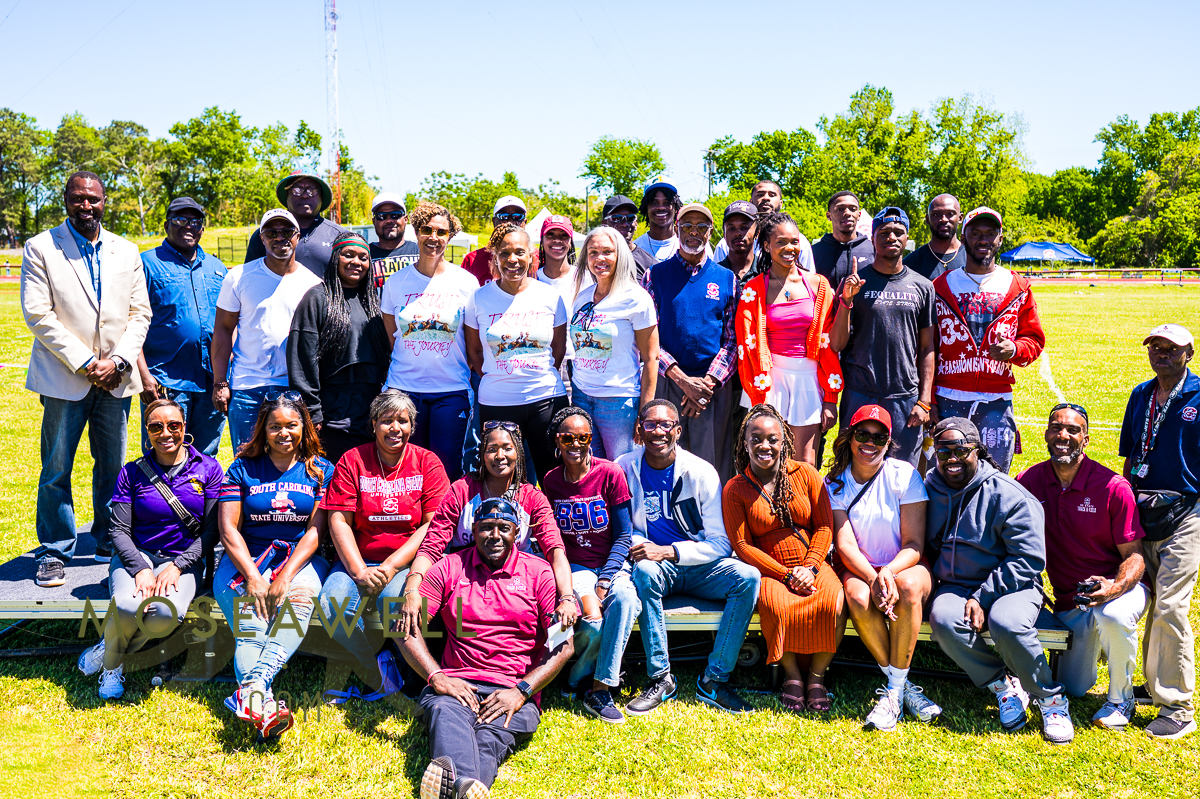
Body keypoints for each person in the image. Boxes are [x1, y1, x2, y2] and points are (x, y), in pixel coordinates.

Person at [22, 171, 152, 586]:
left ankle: (107, 540)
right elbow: (38, 314)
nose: (86, 206)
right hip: (65, 377)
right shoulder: (41, 247)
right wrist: (85, 363)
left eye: (93, 199)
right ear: (66, 200)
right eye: (78, 199)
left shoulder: (126, 250)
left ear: (104, 200)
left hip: (116, 379)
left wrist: (116, 362)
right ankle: (56, 550)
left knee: (113, 467)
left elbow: (140, 314)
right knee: (56, 467)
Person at [403, 497, 575, 799]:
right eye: (486, 528)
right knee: (446, 712)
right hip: (456, 684)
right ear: (472, 529)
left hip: (512, 690)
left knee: (490, 735)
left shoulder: (539, 572)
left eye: (503, 528)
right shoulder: (450, 567)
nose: (494, 536)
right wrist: (436, 677)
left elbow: (564, 645)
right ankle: (465, 789)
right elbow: (403, 630)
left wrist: (522, 691)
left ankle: (451, 784)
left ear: (517, 532)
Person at [925, 418, 1073, 744]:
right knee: (945, 618)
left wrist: (983, 596)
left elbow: (1029, 559)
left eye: (961, 450)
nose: (951, 458)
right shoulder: (930, 487)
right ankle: (1002, 686)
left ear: (977, 450)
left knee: (1006, 621)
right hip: (955, 584)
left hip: (1012, 586)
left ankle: (1050, 700)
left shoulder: (1009, 495)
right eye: (943, 451)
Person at [616, 400, 761, 716]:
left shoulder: (700, 472)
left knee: (747, 578)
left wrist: (670, 551)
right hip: (654, 567)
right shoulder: (623, 467)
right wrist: (647, 549)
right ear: (639, 429)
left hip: (697, 564)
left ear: (678, 431)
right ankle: (661, 677)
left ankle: (714, 679)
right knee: (644, 572)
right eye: (650, 424)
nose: (658, 431)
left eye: (666, 424)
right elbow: (622, 528)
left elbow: (721, 543)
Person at [75, 399, 223, 699]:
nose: (165, 433)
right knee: (129, 606)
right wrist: (140, 569)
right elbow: (118, 529)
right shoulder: (132, 472)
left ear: (185, 428)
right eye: (156, 426)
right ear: (147, 431)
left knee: (165, 615)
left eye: (173, 425)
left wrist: (179, 565)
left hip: (184, 559)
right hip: (138, 554)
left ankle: (107, 646)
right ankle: (113, 666)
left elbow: (212, 531)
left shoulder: (208, 468)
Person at [1016, 403, 1147, 730]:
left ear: (1086, 439)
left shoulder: (1113, 487)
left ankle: (1121, 699)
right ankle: (1099, 643)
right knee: (1074, 687)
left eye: (1073, 430)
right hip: (1072, 601)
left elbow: (1135, 556)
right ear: (1046, 434)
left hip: (1119, 591)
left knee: (1112, 615)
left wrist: (1113, 588)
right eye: (1056, 427)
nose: (1064, 435)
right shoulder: (1029, 481)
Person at [214, 392, 334, 738]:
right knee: (252, 622)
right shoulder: (241, 467)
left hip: (300, 558)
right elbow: (227, 530)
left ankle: (253, 686)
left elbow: (315, 532)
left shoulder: (320, 469)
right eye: (275, 426)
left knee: (299, 600)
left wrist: (286, 577)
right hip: (245, 559)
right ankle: (259, 702)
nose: (284, 433)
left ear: (304, 427)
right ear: (263, 430)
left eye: (292, 425)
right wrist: (253, 576)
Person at [317, 390, 450, 696]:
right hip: (358, 561)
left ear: (412, 426)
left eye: (402, 421)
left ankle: (416, 674)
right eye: (387, 420)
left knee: (397, 608)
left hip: (405, 563)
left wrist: (391, 566)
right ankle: (375, 666)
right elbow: (339, 521)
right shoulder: (353, 460)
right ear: (374, 424)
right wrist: (359, 570)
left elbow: (432, 524)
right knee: (332, 607)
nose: (395, 428)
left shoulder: (427, 462)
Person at [398, 420, 578, 638]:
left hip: (515, 584)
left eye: (507, 448)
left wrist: (567, 597)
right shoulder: (461, 490)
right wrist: (412, 588)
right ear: (481, 455)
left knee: (562, 618)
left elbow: (555, 550)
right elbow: (431, 546)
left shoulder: (532, 497)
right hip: (464, 581)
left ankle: (551, 664)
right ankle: (404, 666)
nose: (499, 456)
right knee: (403, 612)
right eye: (491, 449)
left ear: (519, 453)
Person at [826, 405, 941, 730]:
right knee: (859, 598)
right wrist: (874, 577)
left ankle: (893, 691)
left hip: (904, 564)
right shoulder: (834, 482)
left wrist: (888, 573)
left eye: (880, 437)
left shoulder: (904, 474)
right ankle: (902, 687)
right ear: (849, 438)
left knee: (907, 588)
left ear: (889, 442)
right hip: (861, 567)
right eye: (863, 434)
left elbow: (914, 544)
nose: (870, 443)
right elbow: (846, 546)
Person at [724, 404, 844, 714]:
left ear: (784, 441)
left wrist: (811, 566)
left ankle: (816, 678)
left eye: (772, 439)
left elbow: (825, 526)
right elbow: (742, 545)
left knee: (832, 600)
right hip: (768, 567)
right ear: (744, 443)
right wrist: (786, 574)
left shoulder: (805, 474)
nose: (765, 445)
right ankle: (792, 676)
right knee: (776, 605)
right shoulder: (735, 489)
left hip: (811, 561)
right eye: (756, 438)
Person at [1119, 323, 1200, 739]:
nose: (1162, 354)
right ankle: (1155, 686)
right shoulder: (1140, 395)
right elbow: (1131, 457)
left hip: (1187, 512)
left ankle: (1178, 706)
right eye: (1156, 347)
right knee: (1152, 602)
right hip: (1142, 511)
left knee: (1170, 606)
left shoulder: (1199, 395)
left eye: (1171, 349)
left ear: (1189, 352)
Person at [539, 407, 638, 723]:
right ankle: (573, 678)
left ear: (591, 439)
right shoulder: (552, 481)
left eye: (583, 437)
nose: (576, 444)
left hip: (611, 564)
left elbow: (624, 535)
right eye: (568, 437)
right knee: (593, 623)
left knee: (624, 600)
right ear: (558, 440)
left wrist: (607, 578)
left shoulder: (610, 473)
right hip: (576, 568)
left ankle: (600, 686)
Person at [931, 207, 1045, 473]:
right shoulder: (941, 286)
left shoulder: (1018, 286)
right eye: (976, 233)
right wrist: (931, 401)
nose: (983, 239)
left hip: (997, 400)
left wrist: (1015, 348)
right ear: (963, 235)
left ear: (1000, 239)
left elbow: (1034, 340)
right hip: (948, 397)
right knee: (949, 475)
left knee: (994, 475)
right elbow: (927, 348)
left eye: (990, 233)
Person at [641, 203, 738, 482]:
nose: (693, 233)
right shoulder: (655, 276)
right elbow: (648, 339)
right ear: (676, 229)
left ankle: (711, 524)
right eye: (687, 226)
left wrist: (706, 384)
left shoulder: (726, 279)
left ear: (710, 232)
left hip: (713, 389)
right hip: (668, 381)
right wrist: (684, 381)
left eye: (701, 227)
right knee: (665, 457)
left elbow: (732, 340)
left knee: (712, 464)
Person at [464, 223, 568, 484]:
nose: (513, 260)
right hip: (497, 402)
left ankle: (550, 525)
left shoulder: (550, 296)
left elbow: (558, 348)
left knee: (552, 475)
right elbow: (474, 352)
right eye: (505, 253)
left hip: (546, 398)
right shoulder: (478, 298)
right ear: (495, 258)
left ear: (531, 256)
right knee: (502, 477)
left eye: (520, 252)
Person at [830, 207, 935, 466]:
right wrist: (846, 300)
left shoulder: (923, 286)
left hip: (904, 397)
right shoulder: (854, 283)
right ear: (873, 237)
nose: (892, 237)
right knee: (855, 467)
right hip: (860, 392)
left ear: (907, 237)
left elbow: (927, 348)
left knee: (902, 474)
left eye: (899, 232)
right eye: (884, 232)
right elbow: (837, 343)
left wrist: (924, 400)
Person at [736, 211, 842, 467]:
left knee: (805, 462)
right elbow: (746, 344)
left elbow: (828, 343)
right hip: (769, 379)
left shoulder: (819, 285)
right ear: (766, 245)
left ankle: (802, 510)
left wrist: (830, 397)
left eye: (794, 241)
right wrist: (755, 392)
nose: (789, 248)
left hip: (808, 378)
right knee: (768, 462)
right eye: (781, 242)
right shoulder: (753, 290)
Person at [380, 202, 476, 482]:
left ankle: (444, 526)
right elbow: (392, 336)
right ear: (416, 232)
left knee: (446, 471)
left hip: (451, 390)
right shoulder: (396, 282)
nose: (433, 237)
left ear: (450, 236)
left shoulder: (466, 283)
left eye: (441, 232)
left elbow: (471, 341)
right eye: (427, 230)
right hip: (403, 390)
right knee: (405, 471)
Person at [213, 209, 322, 453]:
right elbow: (222, 328)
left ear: (298, 237)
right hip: (247, 387)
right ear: (261, 238)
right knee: (247, 457)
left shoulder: (313, 283)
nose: (279, 237)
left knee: (292, 458)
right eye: (272, 232)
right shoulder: (239, 277)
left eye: (286, 232)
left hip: (294, 387)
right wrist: (220, 382)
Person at [136, 196, 227, 456]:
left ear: (202, 228)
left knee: (206, 455)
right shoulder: (147, 264)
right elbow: (131, 323)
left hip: (210, 381)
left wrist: (224, 380)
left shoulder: (216, 267)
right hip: (166, 380)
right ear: (166, 225)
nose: (188, 226)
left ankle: (198, 499)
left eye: (195, 221)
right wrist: (144, 375)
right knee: (163, 453)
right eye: (180, 219)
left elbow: (229, 324)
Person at [287, 232, 389, 465]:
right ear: (335, 258)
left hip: (369, 409)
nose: (356, 262)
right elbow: (302, 358)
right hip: (331, 411)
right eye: (348, 255)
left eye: (364, 257)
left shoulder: (373, 299)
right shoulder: (317, 298)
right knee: (332, 480)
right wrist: (312, 411)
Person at [569, 226, 659, 460]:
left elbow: (651, 358)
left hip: (619, 403)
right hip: (581, 396)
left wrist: (645, 412)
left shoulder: (636, 298)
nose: (600, 258)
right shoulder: (582, 297)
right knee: (590, 470)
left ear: (620, 255)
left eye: (607, 251)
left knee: (622, 471)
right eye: (593, 252)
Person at [244, 170, 347, 278]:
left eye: (312, 191)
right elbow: (249, 277)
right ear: (287, 196)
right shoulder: (267, 234)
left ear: (321, 197)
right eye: (297, 190)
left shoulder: (339, 236)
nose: (305, 196)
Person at [713, 180, 814, 271]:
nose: (766, 198)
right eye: (760, 194)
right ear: (750, 202)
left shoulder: (798, 241)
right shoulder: (727, 244)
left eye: (772, 195)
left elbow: (808, 280)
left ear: (781, 203)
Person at [460, 195, 535, 286]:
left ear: (525, 222)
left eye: (517, 216)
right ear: (494, 221)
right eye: (503, 216)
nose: (510, 221)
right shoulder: (472, 260)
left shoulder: (537, 258)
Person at [812, 190, 874, 289]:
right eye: (840, 209)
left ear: (859, 215)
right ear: (829, 216)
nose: (847, 213)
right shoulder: (814, 252)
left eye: (853, 209)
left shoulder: (873, 249)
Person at [904, 194, 965, 281]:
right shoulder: (911, 263)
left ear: (960, 218)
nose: (944, 219)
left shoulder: (972, 258)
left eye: (950, 214)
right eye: (936, 214)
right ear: (928, 219)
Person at [536, 214, 589, 309]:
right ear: (542, 240)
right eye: (550, 234)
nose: (557, 240)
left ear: (570, 242)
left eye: (564, 235)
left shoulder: (585, 278)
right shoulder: (532, 279)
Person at [367, 192, 419, 288]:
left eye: (395, 215)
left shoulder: (420, 253)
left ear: (406, 219)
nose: (389, 220)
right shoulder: (364, 255)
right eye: (382, 216)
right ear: (374, 221)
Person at [602, 194, 655, 278]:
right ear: (604, 224)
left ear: (636, 223)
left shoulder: (650, 265)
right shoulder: (594, 262)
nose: (625, 224)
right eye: (616, 218)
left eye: (630, 218)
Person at [633, 181, 683, 263]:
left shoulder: (689, 245)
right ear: (646, 207)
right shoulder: (635, 248)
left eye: (666, 202)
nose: (661, 207)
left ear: (676, 207)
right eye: (654, 203)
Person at [716, 200, 759, 282]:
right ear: (724, 234)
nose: (738, 233)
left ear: (757, 232)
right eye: (731, 228)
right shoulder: (713, 274)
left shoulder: (768, 273)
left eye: (744, 228)